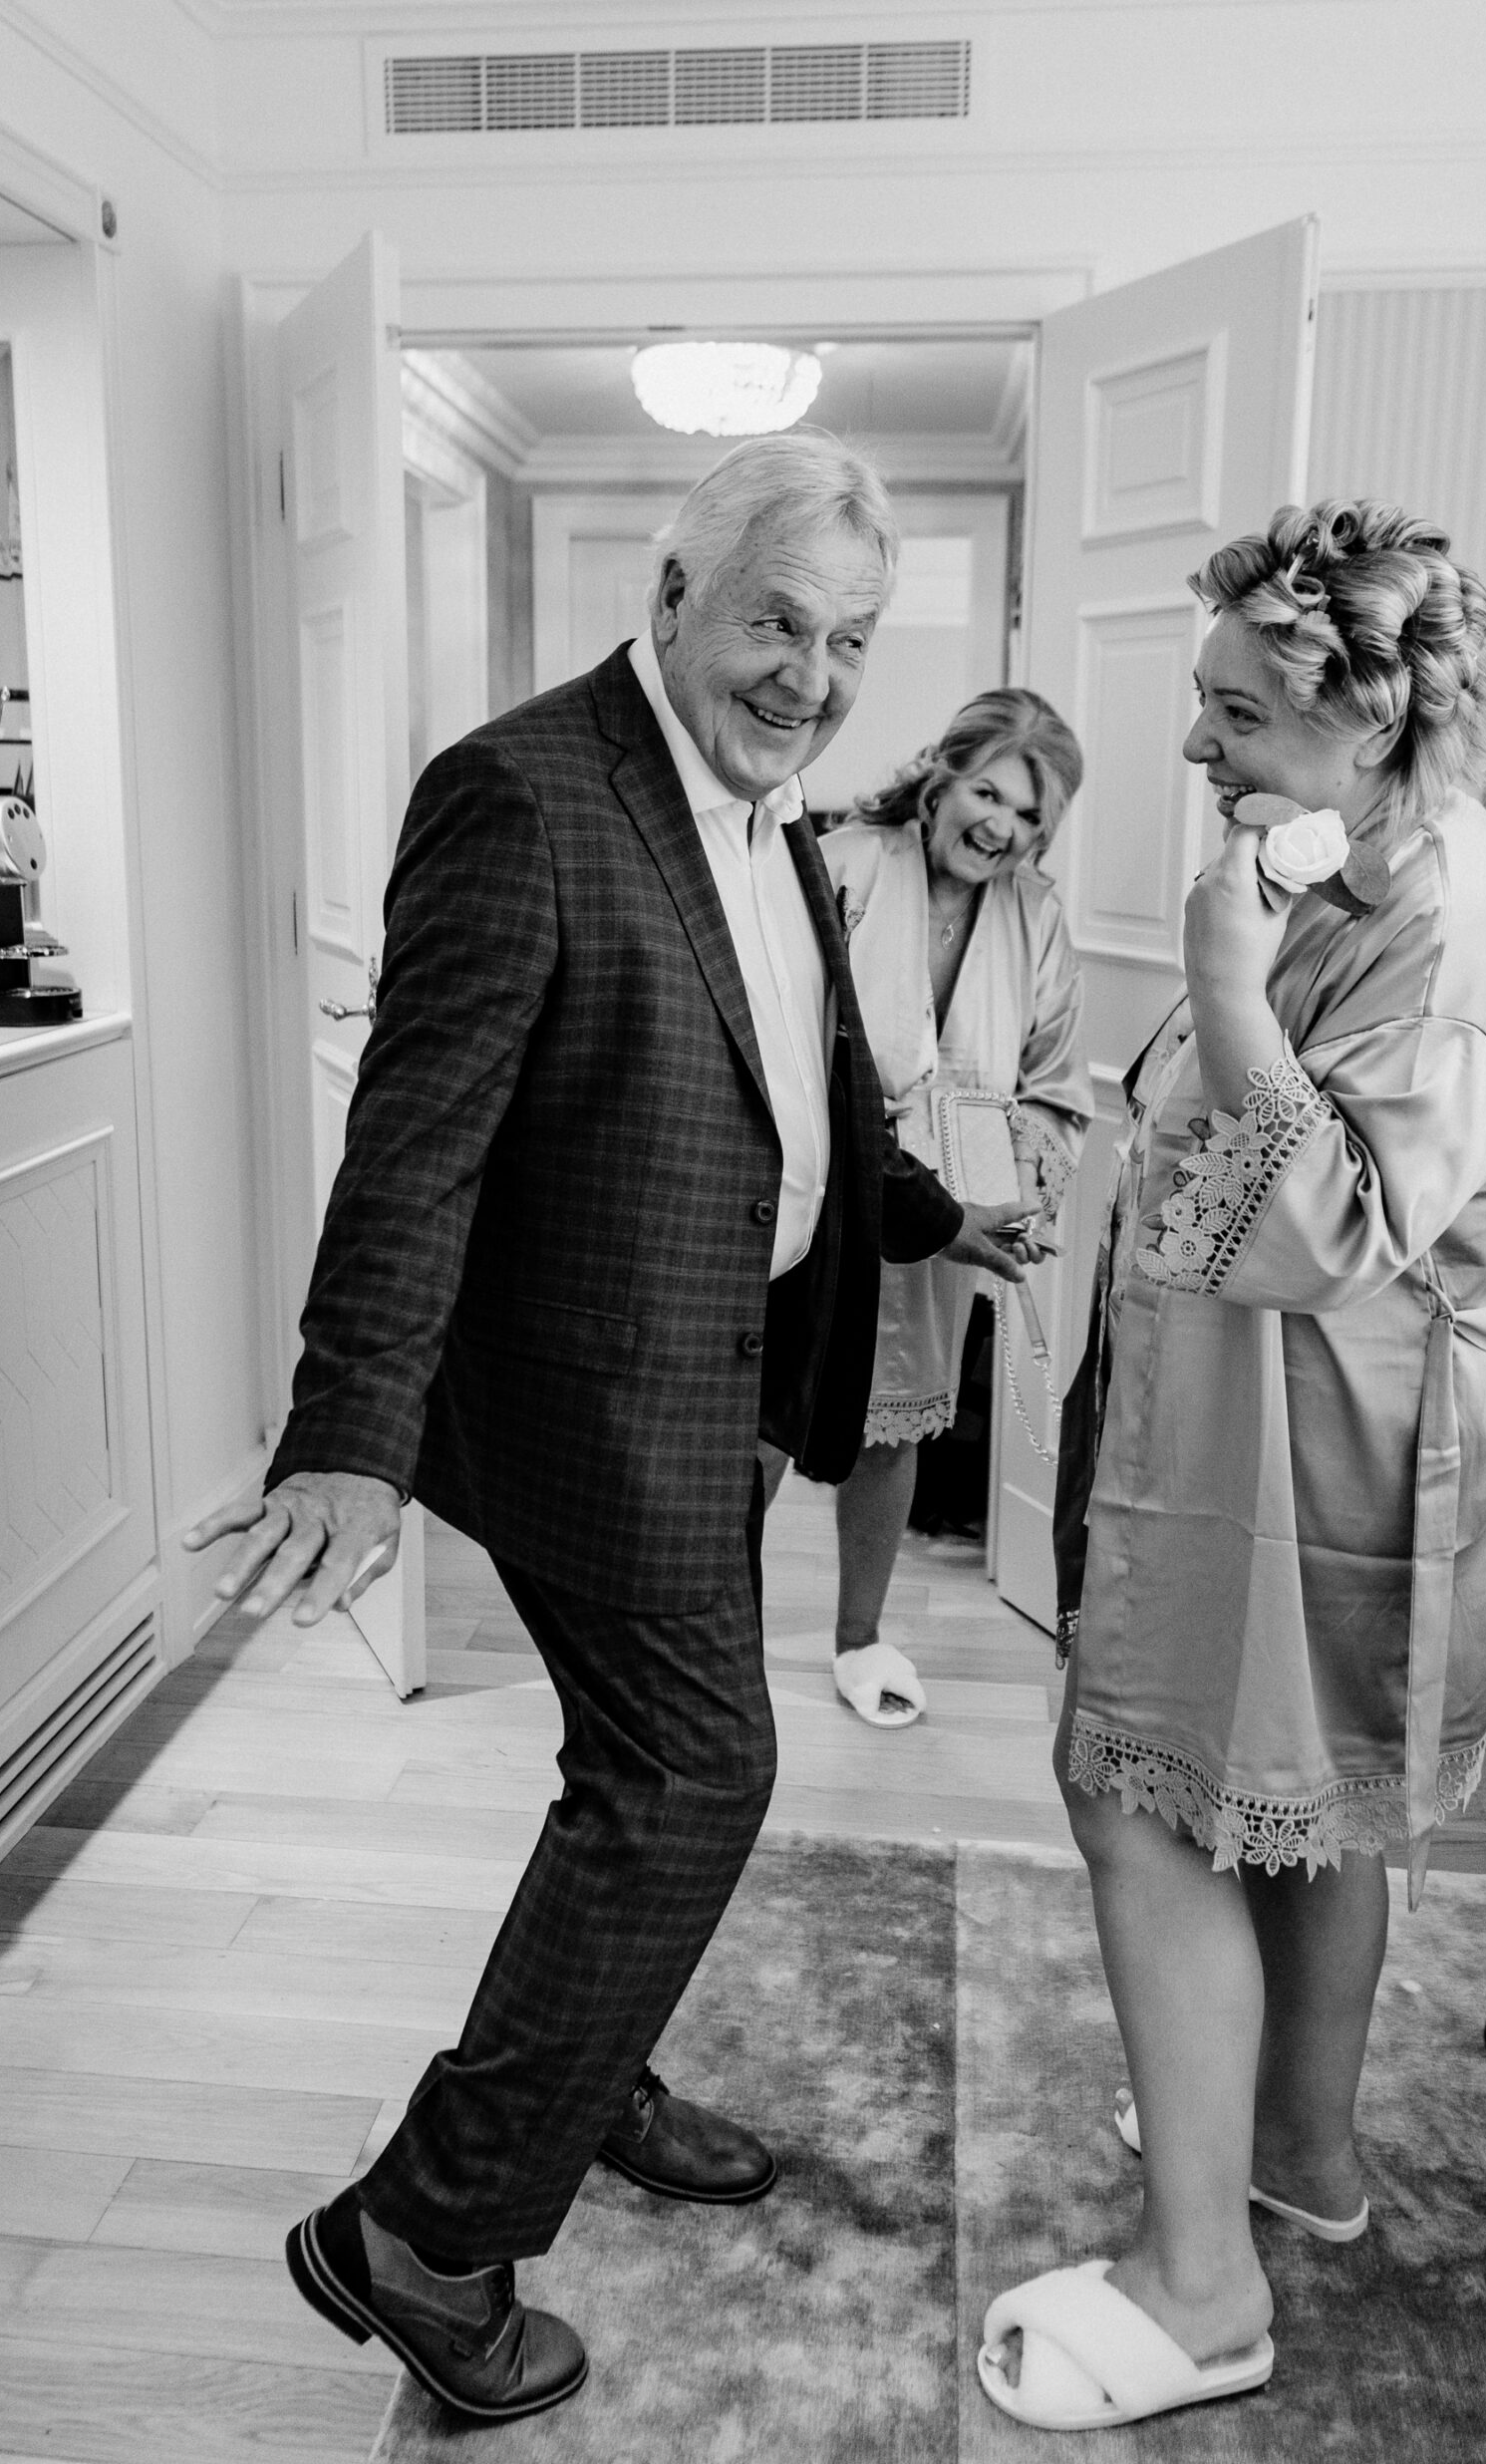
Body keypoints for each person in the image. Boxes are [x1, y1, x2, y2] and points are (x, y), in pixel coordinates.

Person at [186, 431, 1032, 2427]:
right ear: (667, 595)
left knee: (629, 1767)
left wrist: (932, 1214)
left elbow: (805, 1088)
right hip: (591, 1400)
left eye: (842, 639)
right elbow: (417, 1146)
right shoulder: (517, 792)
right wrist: (346, 1435)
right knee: (693, 1771)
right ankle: (420, 2224)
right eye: (771, 621)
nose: (807, 674)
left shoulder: (783, 814)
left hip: (729, 1381)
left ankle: (594, 2061)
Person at [977, 499, 1486, 2433]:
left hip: (1343, 1445)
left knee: (1137, 1798)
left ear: (1370, 723)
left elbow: (1320, 1219)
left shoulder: (1459, 937)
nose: (1195, 743)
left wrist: (1224, 983)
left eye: (1236, 708)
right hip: (1281, 1419)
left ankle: (1201, 2286)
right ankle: (1296, 2154)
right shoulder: (1363, 865)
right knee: (1293, 1812)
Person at [767, 692, 1092, 1726]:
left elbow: (1053, 1083)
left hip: (945, 1206)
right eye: (987, 791)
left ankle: (859, 1639)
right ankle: (712, 1644)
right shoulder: (845, 863)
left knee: (894, 1426)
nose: (1000, 825)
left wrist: (1020, 1176)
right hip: (811, 1183)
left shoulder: (1036, 916)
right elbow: (775, 1022)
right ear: (941, 777)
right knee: (760, 1418)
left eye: (1029, 814)